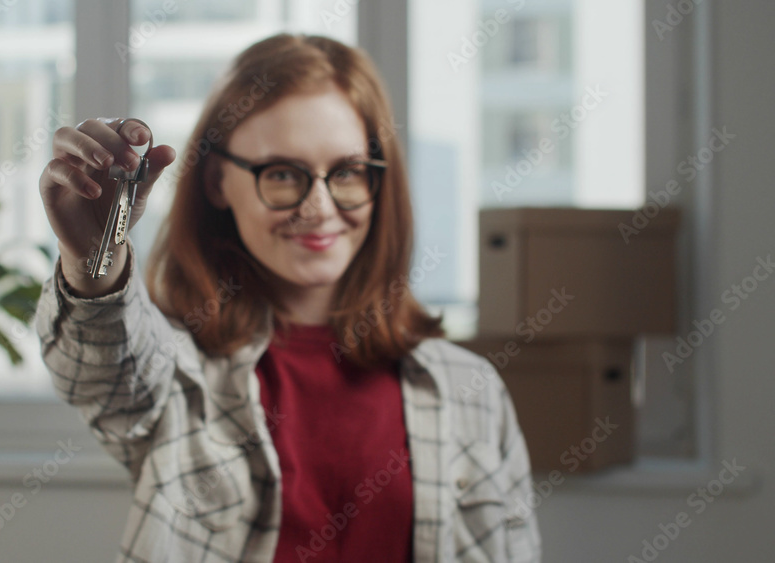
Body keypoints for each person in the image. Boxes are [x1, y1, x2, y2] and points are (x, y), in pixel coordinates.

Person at [36, 33, 540, 563]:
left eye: (345, 172)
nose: (319, 207)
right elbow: (103, 369)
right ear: (216, 181)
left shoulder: (472, 392)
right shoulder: (181, 376)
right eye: (281, 174)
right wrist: (95, 258)